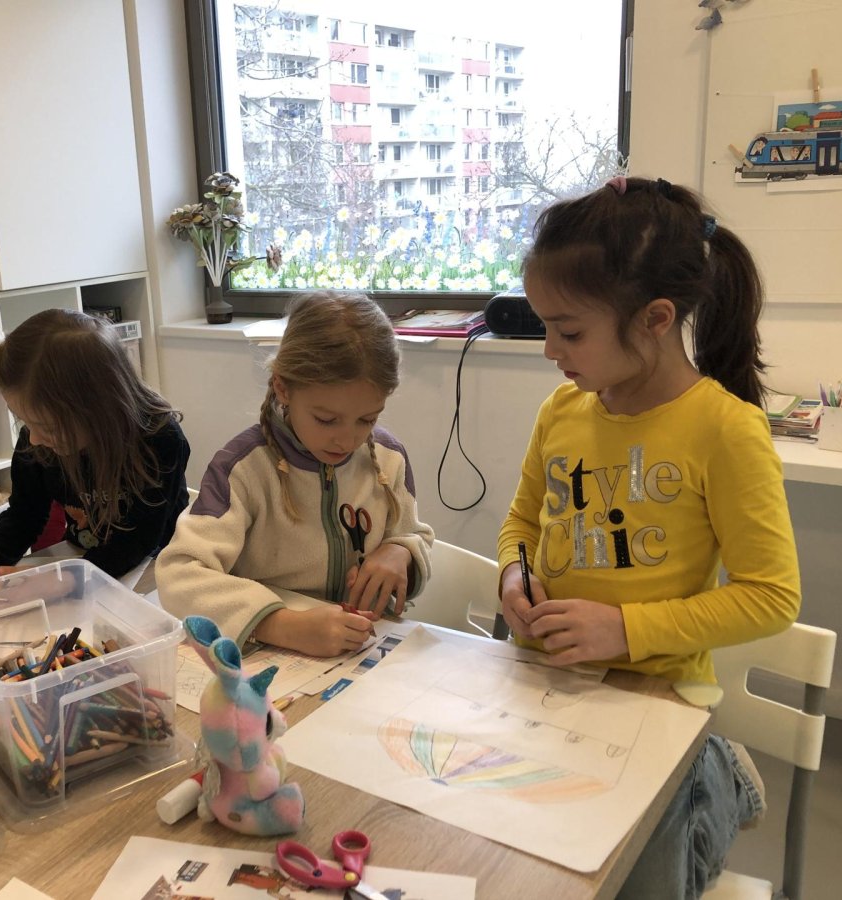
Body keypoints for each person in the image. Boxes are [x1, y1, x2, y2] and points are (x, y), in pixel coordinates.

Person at [497, 176, 801, 899]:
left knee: (632, 879)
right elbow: (521, 524)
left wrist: (625, 629)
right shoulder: (562, 410)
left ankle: (714, 777)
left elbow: (771, 597)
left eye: (570, 332)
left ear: (656, 318)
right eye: (545, 327)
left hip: (657, 695)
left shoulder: (725, 429)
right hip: (546, 682)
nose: (550, 350)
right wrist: (513, 574)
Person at [156, 292, 434, 658]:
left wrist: (401, 552)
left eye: (367, 419)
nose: (348, 440)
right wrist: (280, 624)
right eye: (326, 419)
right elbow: (178, 572)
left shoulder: (387, 458)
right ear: (283, 388)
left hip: (364, 651)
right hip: (271, 653)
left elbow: (413, 535)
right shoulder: (244, 468)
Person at [0, 308, 190, 586]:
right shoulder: (40, 441)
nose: (33, 439)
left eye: (48, 427)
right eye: (25, 421)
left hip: (160, 568)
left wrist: (66, 581)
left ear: (100, 409)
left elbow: (138, 541)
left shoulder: (160, 440)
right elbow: (25, 514)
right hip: (86, 560)